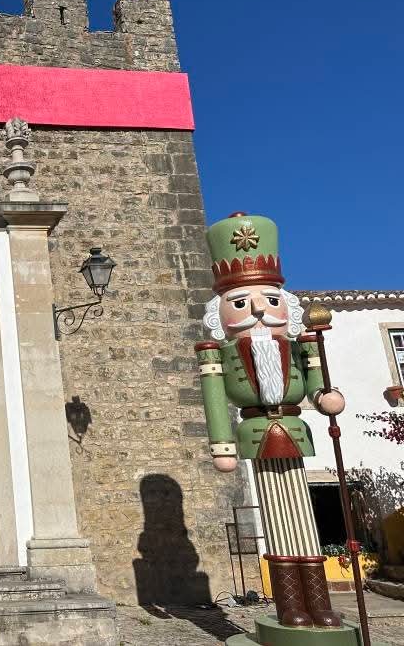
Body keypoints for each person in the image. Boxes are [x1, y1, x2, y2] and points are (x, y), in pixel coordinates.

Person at [196, 212, 345, 629]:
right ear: (220, 312)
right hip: (256, 432)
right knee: (278, 521)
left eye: (270, 300)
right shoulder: (217, 354)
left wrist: (326, 397)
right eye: (241, 303)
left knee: (304, 520)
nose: (259, 309)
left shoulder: (299, 345)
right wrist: (222, 446)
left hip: (294, 430)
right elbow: (214, 399)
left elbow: (316, 383)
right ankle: (291, 605)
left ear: (285, 305)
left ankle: (319, 604)